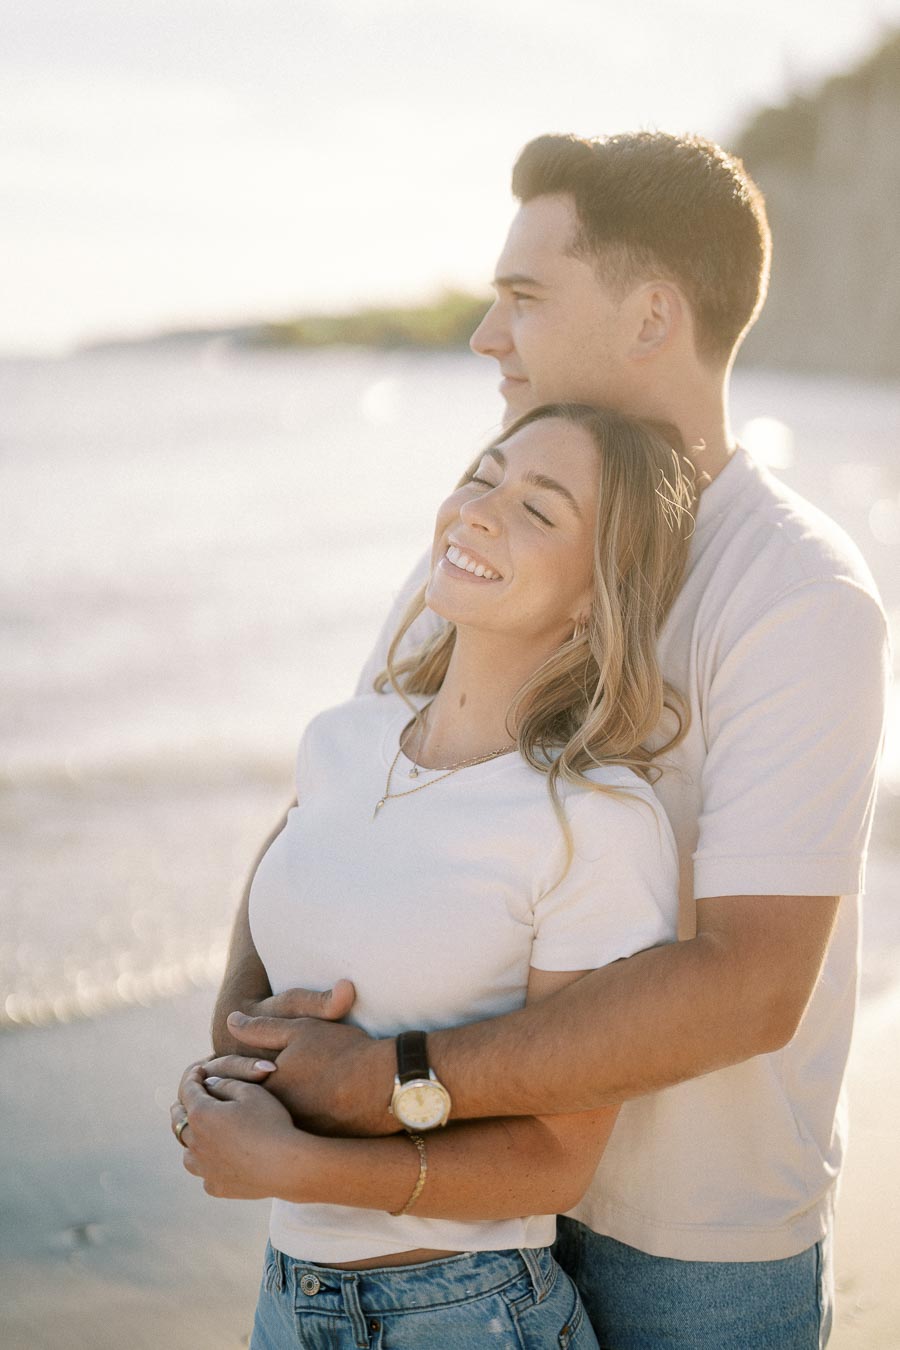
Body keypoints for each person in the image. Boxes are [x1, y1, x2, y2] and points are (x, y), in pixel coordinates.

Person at [178, 132, 889, 1347]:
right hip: (450, 1221)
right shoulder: (474, 542)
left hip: (686, 1250)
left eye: (523, 298)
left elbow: (752, 984)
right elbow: (340, 793)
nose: (485, 337)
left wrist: (390, 1078)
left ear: (651, 314)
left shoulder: (797, 591)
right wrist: (242, 1049)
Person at [173, 402, 696, 1348]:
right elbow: (280, 873)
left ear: (596, 592)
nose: (481, 510)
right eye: (485, 475)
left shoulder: (597, 822)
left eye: (540, 509)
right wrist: (233, 1057)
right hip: (289, 1300)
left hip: (469, 1312)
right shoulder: (343, 738)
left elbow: (555, 1162)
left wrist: (291, 1165)